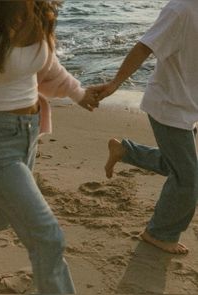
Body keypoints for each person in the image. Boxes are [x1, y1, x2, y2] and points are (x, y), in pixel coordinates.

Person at [0, 0, 98, 294]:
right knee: (48, 237)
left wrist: (79, 92)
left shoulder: (39, 12)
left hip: (28, 134)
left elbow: (49, 66)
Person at [90, 0, 198, 255]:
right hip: (167, 106)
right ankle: (159, 233)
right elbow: (143, 48)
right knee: (189, 178)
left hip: (187, 106)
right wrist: (115, 83)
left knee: (177, 164)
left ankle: (125, 151)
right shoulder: (180, 10)